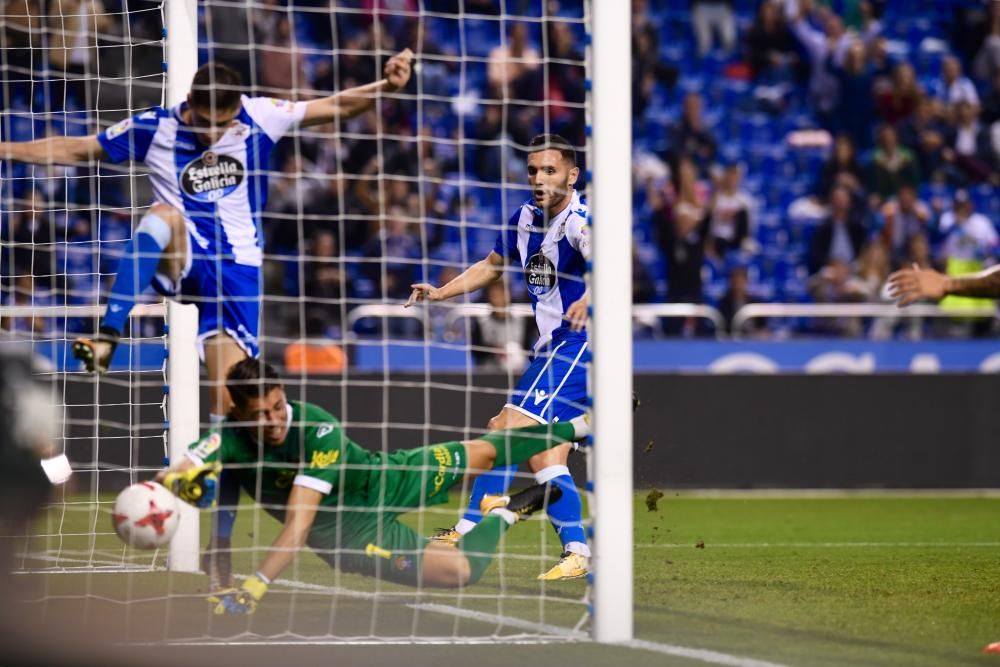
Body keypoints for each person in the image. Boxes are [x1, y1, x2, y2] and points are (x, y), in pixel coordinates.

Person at [0, 51, 414, 589]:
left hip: (238, 287)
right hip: (185, 259)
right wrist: (7, 147)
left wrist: (388, 85)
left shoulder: (259, 116)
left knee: (232, 422)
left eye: (222, 126)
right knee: (162, 215)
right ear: (190, 105)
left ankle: (219, 560)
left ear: (235, 112)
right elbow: (77, 147)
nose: (212, 134)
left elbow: (333, 107)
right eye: (203, 122)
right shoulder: (157, 126)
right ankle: (108, 334)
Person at [156, 358, 590, 615]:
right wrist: (165, 489)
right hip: (352, 536)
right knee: (461, 571)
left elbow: (297, 525)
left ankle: (577, 425)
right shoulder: (228, 437)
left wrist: (256, 585)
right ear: (237, 412)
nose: (272, 422)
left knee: (487, 448)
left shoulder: (315, 428)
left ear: (282, 392)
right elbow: (177, 470)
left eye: (276, 407)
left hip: (387, 477)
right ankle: (506, 512)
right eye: (259, 415)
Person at [405, 133, 592, 581]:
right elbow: (492, 265)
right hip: (550, 346)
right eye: (533, 170)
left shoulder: (579, 220)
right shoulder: (524, 218)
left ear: (572, 174)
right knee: (546, 456)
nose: (539, 179)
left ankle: (469, 527)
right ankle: (578, 551)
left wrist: (592, 298)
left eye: (550, 170)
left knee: (504, 428)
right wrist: (442, 291)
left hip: (582, 343)